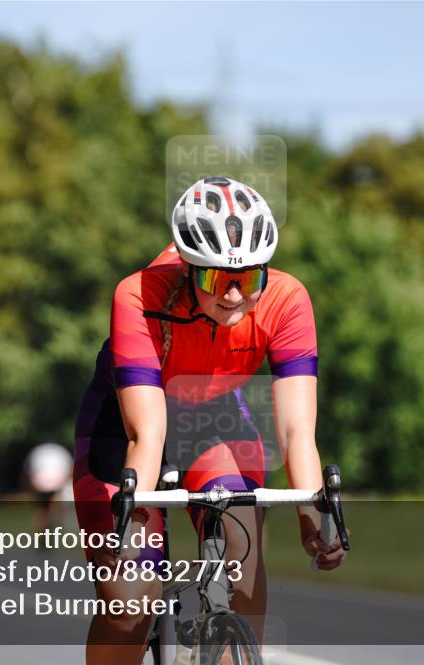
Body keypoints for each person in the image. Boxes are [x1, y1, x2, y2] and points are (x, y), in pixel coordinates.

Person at [73, 177, 347, 664]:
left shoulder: (287, 300)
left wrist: (313, 516)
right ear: (188, 266)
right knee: (130, 601)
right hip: (126, 425)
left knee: (243, 552)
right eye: (217, 280)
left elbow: (295, 431)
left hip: (213, 419)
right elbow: (148, 431)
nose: (237, 296)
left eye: (250, 278)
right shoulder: (139, 295)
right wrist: (133, 527)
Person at [24, 442, 73, 532]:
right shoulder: (61, 450)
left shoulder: (37, 450)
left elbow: (27, 472)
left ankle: (41, 531)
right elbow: (70, 470)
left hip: (40, 481)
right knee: (56, 506)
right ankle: (56, 528)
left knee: (42, 509)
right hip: (57, 480)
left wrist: (31, 487)